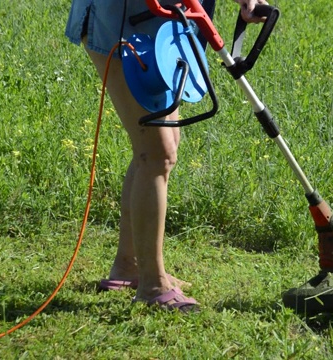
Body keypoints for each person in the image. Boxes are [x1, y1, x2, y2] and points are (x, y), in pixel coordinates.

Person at [64, 0, 267, 312]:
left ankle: (128, 266)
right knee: (156, 152)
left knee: (162, 145)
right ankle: (152, 285)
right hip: (120, 23)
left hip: (157, 24)